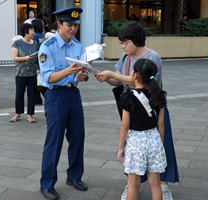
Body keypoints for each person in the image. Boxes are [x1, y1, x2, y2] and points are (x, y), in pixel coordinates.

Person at [95, 21, 179, 200]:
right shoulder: (125, 57)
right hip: (133, 108)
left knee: (162, 148)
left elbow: (141, 83)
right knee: (135, 152)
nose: (123, 46)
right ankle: (133, 184)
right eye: (121, 43)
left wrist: (112, 74)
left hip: (152, 108)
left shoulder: (152, 56)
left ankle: (164, 186)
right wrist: (105, 77)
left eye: (126, 42)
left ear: (137, 41)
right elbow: (119, 81)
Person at [39, 7, 89, 200]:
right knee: (54, 141)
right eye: (69, 25)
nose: (73, 29)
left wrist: (83, 76)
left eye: (76, 25)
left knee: (77, 138)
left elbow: (81, 73)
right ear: (59, 24)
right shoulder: (47, 47)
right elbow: (48, 78)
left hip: (73, 94)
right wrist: (68, 71)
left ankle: (74, 177)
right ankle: (47, 184)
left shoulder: (78, 46)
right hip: (55, 97)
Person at [118, 58, 167, 200]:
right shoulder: (159, 95)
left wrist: (121, 147)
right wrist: (160, 143)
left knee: (133, 184)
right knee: (155, 184)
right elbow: (161, 124)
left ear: (135, 75)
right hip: (154, 140)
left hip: (135, 142)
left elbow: (125, 125)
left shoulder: (128, 97)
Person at [10, 23, 39, 123]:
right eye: (32, 30)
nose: (34, 32)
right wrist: (26, 58)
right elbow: (15, 58)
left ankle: (30, 115)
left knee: (32, 94)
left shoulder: (35, 43)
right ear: (26, 32)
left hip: (32, 73)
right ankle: (18, 114)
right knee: (19, 93)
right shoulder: (17, 43)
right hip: (21, 73)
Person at [31, 18, 46, 105]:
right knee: (40, 79)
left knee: (36, 81)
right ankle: (40, 98)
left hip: (37, 61)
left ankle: (37, 99)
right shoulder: (42, 35)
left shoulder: (35, 35)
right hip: (42, 59)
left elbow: (35, 48)